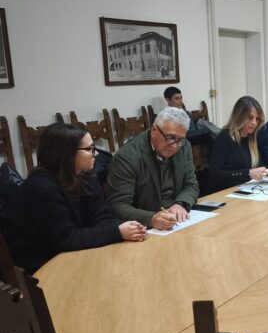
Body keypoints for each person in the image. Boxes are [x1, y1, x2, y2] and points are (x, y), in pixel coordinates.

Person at [2, 124, 145, 273]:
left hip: (76, 253)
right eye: (89, 149)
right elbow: (65, 239)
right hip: (42, 266)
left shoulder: (86, 177)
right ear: (67, 154)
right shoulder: (40, 187)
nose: (96, 154)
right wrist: (116, 232)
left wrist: (126, 229)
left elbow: (101, 215)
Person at [107, 107, 199, 230]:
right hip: (145, 227)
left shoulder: (184, 147)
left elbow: (191, 184)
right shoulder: (127, 157)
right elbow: (118, 205)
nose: (175, 146)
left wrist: (180, 204)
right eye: (170, 138)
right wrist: (151, 218)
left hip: (178, 222)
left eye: (180, 140)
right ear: (154, 130)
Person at [208, 96, 268, 193]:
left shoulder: (252, 138)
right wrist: (248, 173)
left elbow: (256, 167)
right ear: (239, 116)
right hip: (225, 192)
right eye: (250, 118)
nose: (254, 123)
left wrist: (267, 170)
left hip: (247, 190)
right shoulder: (225, 137)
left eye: (257, 119)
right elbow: (215, 175)